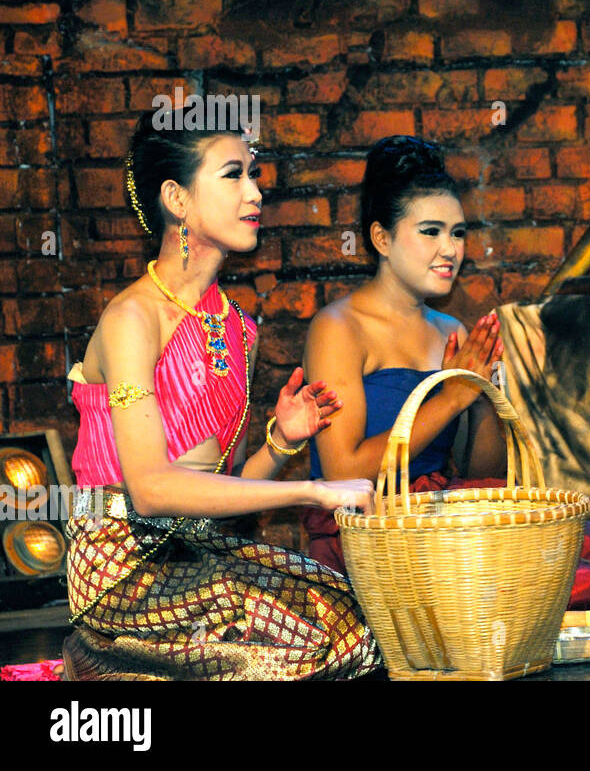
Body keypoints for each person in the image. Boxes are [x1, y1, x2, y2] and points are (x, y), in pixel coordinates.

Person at [61, 117, 383, 680]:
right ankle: (102, 662)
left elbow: (221, 495)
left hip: (197, 551)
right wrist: (313, 489)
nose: (255, 192)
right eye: (233, 175)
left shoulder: (235, 327)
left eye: (253, 176)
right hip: (120, 560)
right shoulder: (131, 319)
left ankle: (139, 665)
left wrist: (281, 442)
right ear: (177, 199)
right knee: (308, 647)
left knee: (361, 621)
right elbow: (154, 490)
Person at [301, 135, 590, 611]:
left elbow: (480, 471)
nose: (450, 249)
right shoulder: (337, 328)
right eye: (430, 231)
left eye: (458, 233)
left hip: (447, 512)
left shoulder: (451, 329)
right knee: (548, 591)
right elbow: (343, 472)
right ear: (381, 239)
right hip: (370, 530)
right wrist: (450, 397)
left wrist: (486, 392)